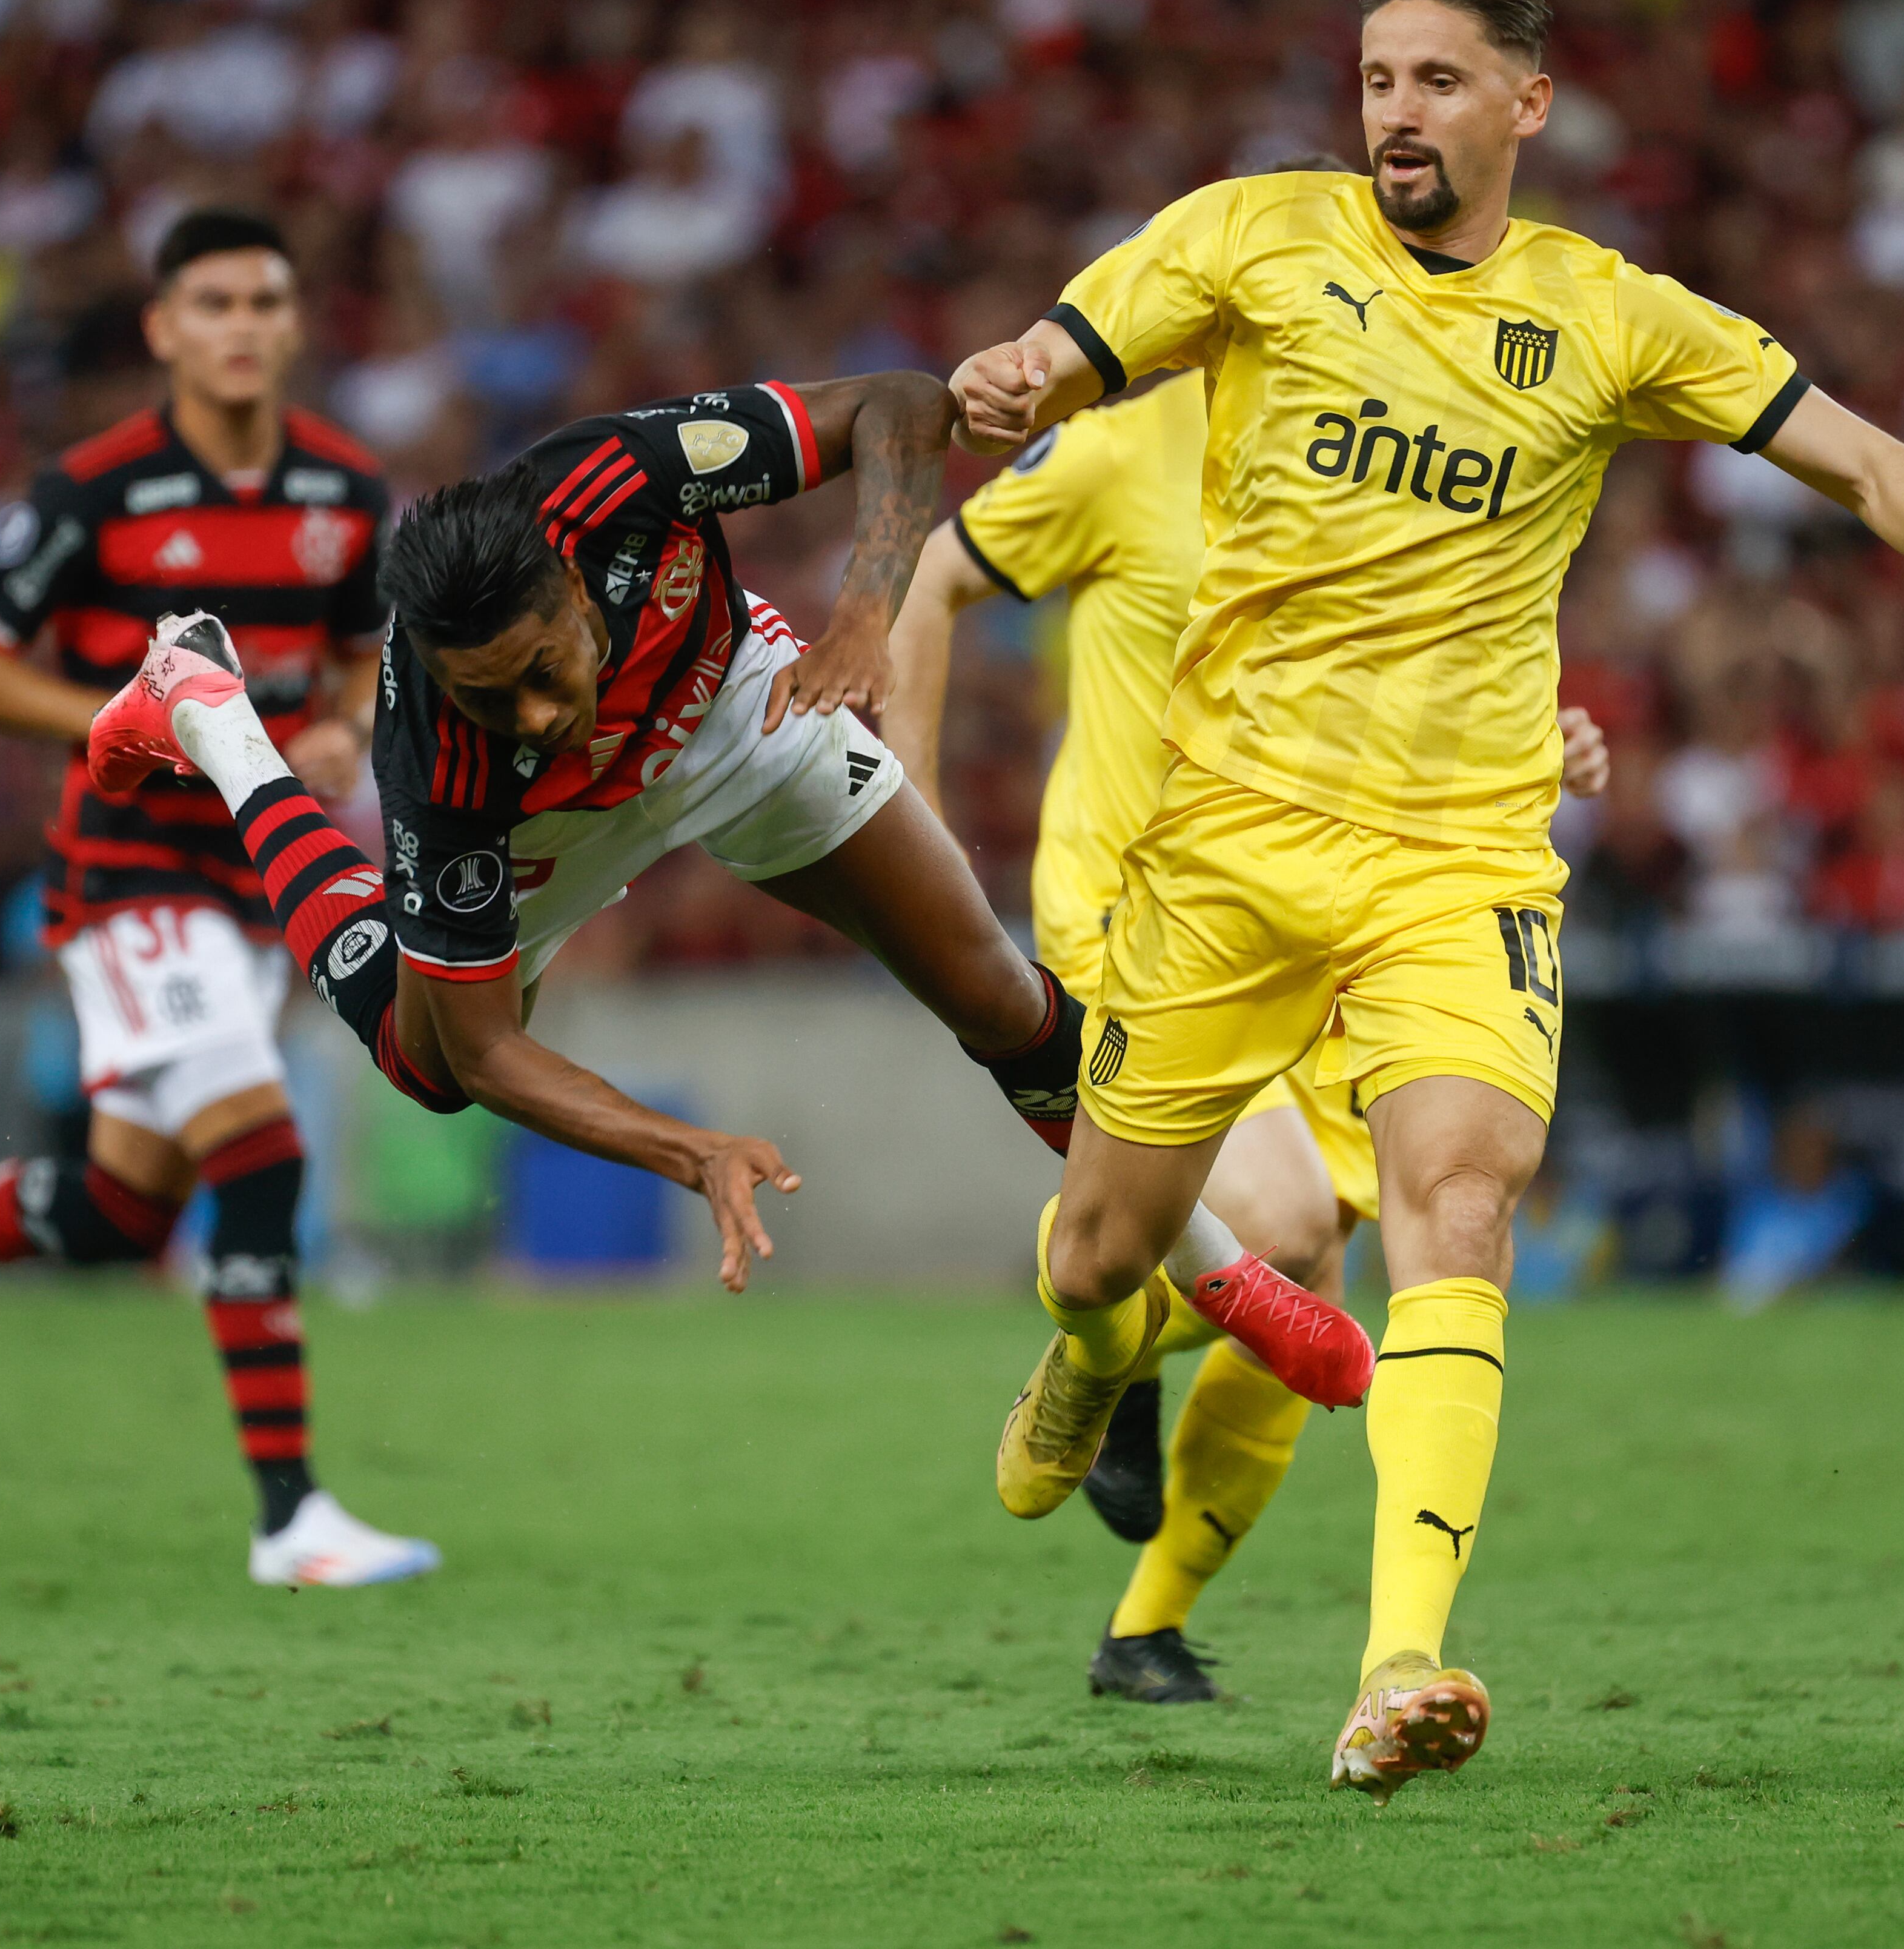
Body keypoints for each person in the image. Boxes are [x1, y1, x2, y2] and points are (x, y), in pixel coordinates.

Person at [948, 0, 1904, 1800]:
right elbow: (1071, 346)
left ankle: (1399, 1667)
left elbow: (1849, 443)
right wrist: (1019, 372)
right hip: (1226, 841)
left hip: (1461, 855)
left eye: (1438, 80)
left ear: (1527, 104)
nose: (1394, 112)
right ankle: (1084, 1345)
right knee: (1101, 1246)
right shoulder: (1250, 235)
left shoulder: (1608, 315)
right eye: (1378, 78)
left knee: (1459, 1204)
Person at [84, 368, 1371, 1414]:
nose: (531, 712)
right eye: (493, 695)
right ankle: (215, 717)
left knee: (996, 993)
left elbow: (900, 406)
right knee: (422, 1057)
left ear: (577, 584)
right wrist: (686, 1150)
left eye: (541, 668)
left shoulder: (622, 476)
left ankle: (1224, 1277)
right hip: (556, 826)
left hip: (740, 714)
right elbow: (485, 1053)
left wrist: (866, 610)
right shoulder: (452, 753)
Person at [0, 208, 440, 1592]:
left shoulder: (344, 488)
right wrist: (138, 710)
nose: (240, 324)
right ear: (163, 328)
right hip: (131, 869)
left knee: (118, 1209)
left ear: (293, 326)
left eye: (264, 301)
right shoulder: (90, 493)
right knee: (262, 1152)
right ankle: (291, 1515)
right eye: (212, 301)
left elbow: (358, 653)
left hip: (258, 873)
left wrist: (344, 727)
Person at [883, 365, 1610, 1705]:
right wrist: (911, 815)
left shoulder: (1392, 461)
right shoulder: (1114, 453)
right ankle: (1092, 1343)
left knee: (1315, 1265)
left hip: (1332, 921)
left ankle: (1143, 1627)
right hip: (1145, 910)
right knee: (1279, 1230)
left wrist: (1531, 739)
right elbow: (930, 576)